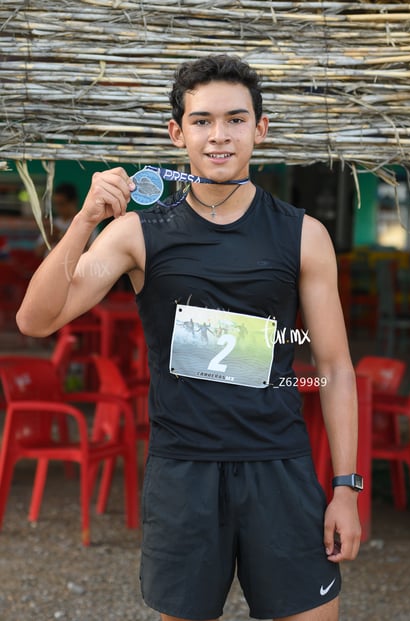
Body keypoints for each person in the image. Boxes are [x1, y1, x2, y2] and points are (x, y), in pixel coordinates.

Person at [16, 54, 361, 621]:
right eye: (201, 121)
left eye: (235, 119)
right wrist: (84, 221)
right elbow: (36, 320)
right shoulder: (137, 235)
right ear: (177, 134)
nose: (219, 135)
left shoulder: (305, 236)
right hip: (184, 475)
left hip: (279, 465)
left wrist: (346, 487)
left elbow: (335, 367)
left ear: (261, 128)